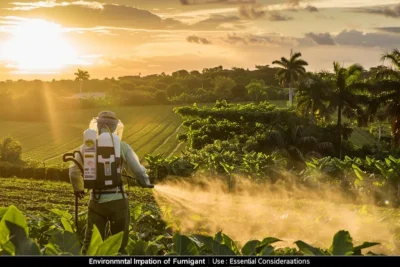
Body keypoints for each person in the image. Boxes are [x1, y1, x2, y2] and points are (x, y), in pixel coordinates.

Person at [69, 111, 154, 254]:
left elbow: (73, 171)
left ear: (98, 125)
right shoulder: (122, 146)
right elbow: (138, 170)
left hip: (96, 201)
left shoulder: (87, 147)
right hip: (118, 202)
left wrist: (78, 189)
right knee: (118, 244)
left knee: (91, 245)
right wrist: (145, 182)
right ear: (115, 127)